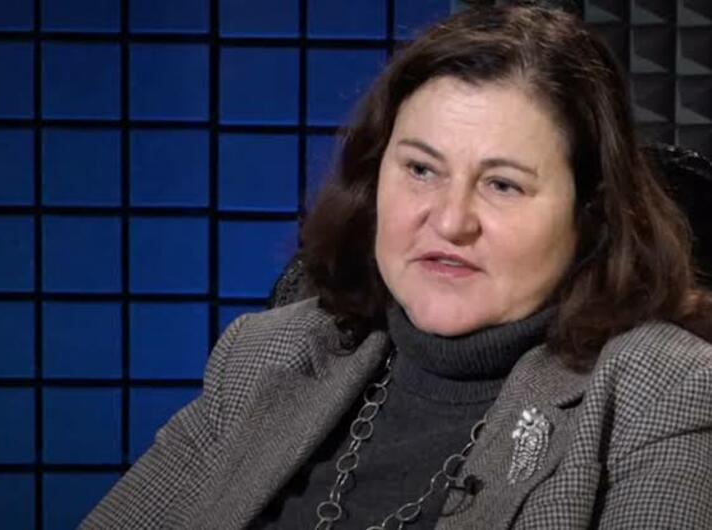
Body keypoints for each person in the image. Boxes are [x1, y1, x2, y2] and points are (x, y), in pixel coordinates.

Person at [82, 4, 712, 529]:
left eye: (502, 184)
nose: (451, 220)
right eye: (421, 169)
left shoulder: (663, 391)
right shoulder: (266, 355)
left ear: (591, 213)